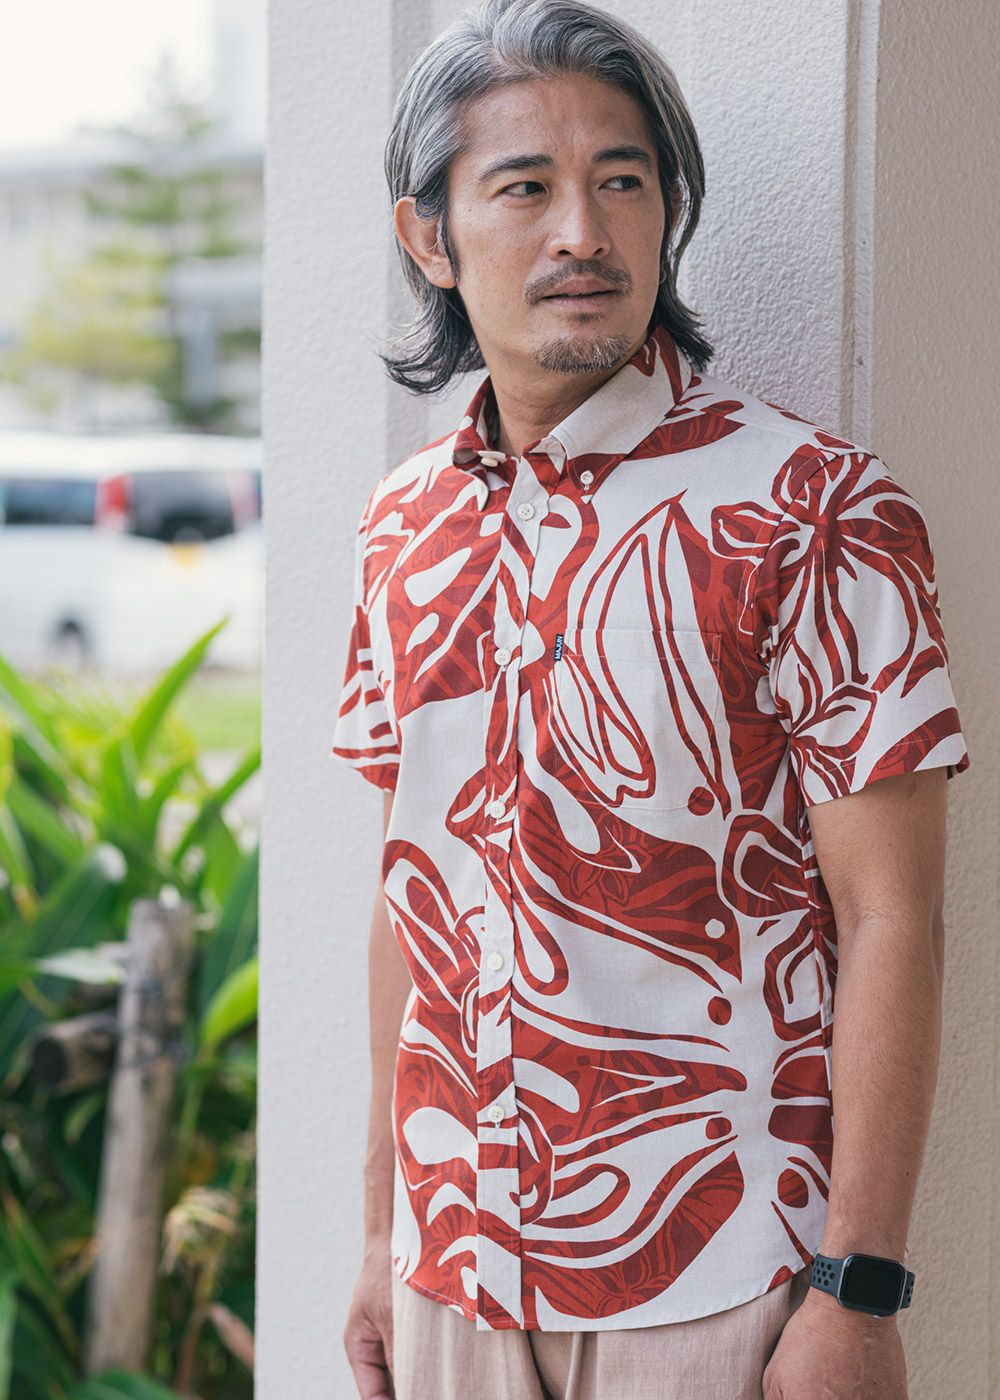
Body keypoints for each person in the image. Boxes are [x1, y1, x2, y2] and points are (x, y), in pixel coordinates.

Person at [329, 1, 971, 1396]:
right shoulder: (401, 528)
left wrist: (858, 1289)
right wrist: (381, 1231)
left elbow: (893, 915)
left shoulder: (814, 510)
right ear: (429, 238)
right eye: (526, 188)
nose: (585, 231)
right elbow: (409, 895)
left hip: (719, 1276)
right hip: (451, 1266)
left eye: (623, 180)